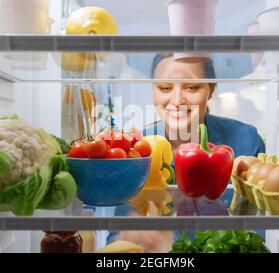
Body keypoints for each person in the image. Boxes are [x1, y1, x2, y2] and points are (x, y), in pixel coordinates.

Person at [106, 53, 266, 252]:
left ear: (211, 89)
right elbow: (116, 239)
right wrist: (128, 237)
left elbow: (256, 234)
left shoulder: (246, 141)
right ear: (153, 90)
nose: (177, 100)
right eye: (165, 88)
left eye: (192, 87)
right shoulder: (136, 149)